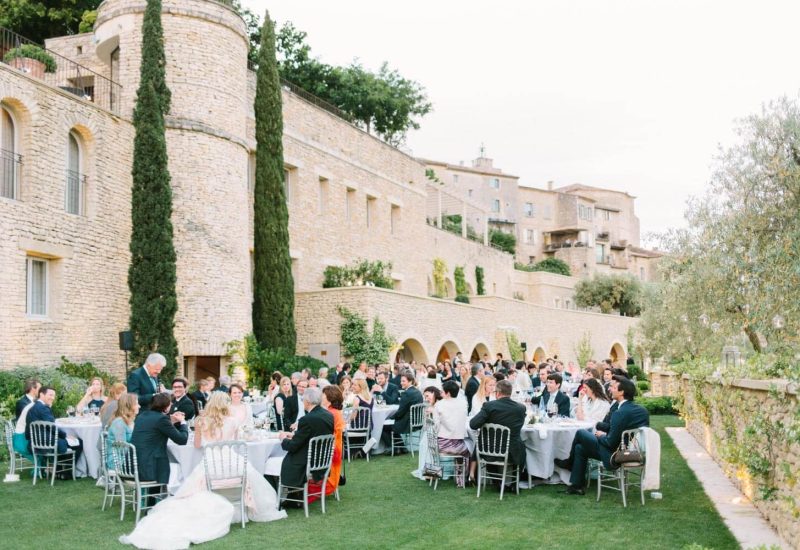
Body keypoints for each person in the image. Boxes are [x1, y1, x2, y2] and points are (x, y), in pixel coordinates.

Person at [120, 393, 286, 549]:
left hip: (211, 465)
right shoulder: (234, 420)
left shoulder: (201, 421)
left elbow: (197, 445)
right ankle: (241, 507)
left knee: (191, 486)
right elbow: (235, 442)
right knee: (251, 474)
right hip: (233, 466)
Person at [561, 376, 650, 495]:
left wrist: (600, 436)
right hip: (631, 452)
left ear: (622, 392)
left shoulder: (620, 413)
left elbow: (610, 443)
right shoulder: (641, 410)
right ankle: (576, 486)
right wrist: (599, 426)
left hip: (614, 456)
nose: (609, 389)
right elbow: (620, 427)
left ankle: (568, 463)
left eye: (613, 387)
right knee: (580, 448)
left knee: (581, 433)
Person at [279, 388, 335, 506]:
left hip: (308, 462)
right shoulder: (328, 415)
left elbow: (293, 446)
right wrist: (294, 434)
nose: (303, 401)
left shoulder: (307, 419)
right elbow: (313, 434)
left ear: (308, 402)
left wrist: (283, 439)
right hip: (322, 460)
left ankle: (289, 496)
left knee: (275, 462)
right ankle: (294, 495)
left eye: (303, 399)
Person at [130, 393, 189, 489]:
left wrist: (171, 421)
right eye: (170, 404)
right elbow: (182, 440)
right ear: (165, 406)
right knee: (176, 466)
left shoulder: (142, 415)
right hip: (150, 468)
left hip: (134, 466)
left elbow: (155, 428)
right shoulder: (161, 419)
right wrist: (183, 422)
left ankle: (153, 500)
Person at [469, 380, 526, 474]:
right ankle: (514, 482)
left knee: (482, 440)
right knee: (522, 444)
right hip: (513, 452)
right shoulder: (521, 408)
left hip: (490, 451)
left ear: (498, 393)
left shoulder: (489, 406)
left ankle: (497, 481)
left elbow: (473, 425)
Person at [25, 386, 83, 475]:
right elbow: (52, 427)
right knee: (78, 442)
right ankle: (66, 473)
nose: (52, 398)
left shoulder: (33, 407)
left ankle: (58, 471)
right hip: (47, 443)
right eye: (50, 395)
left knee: (67, 442)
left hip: (34, 443)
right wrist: (65, 435)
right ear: (41, 394)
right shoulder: (43, 408)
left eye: (54, 396)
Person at [307, 385, 345, 503]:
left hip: (329, 451)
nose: (320, 397)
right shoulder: (333, 412)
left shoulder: (331, 414)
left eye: (322, 395)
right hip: (334, 449)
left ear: (329, 397)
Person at [433, 381, 470, 487]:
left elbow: (436, 425)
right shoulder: (464, 403)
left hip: (441, 445)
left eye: (442, 391)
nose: (440, 393)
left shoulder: (439, 404)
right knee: (469, 450)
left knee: (465, 449)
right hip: (456, 445)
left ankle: (459, 479)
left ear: (448, 393)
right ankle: (462, 480)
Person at [380, 372, 423, 451]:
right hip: (417, 422)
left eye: (403, 381)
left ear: (410, 381)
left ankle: (393, 448)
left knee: (383, 426)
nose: (401, 383)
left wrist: (390, 417)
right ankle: (402, 448)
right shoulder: (418, 391)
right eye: (401, 381)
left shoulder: (406, 393)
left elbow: (400, 412)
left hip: (407, 423)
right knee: (391, 424)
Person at [106, 394, 138, 470]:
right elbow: (122, 449)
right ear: (129, 406)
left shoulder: (131, 422)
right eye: (136, 404)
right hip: (118, 461)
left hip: (129, 458)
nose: (139, 406)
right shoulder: (119, 423)